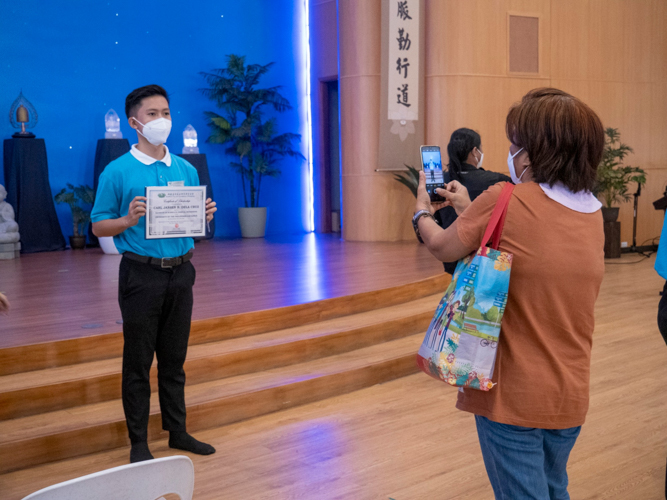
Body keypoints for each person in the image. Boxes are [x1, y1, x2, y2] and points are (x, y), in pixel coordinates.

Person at [412, 88, 605, 499]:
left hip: (512, 395)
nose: (511, 154)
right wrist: (473, 210)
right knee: (554, 489)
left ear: (534, 153)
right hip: (568, 393)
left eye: (516, 145)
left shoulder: (507, 199)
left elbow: (443, 246)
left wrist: (421, 213)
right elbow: (532, 249)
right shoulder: (592, 211)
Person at [92, 84, 217, 463]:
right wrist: (127, 220)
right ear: (134, 122)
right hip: (140, 275)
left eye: (165, 112)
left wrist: (203, 217)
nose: (162, 120)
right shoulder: (117, 171)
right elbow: (98, 226)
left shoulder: (184, 167)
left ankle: (177, 432)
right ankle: (138, 443)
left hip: (181, 273)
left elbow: (193, 226)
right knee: (138, 361)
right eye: (152, 114)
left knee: (174, 359)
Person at [435, 128, 511, 274]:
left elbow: (435, 221)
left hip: (450, 258)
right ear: (475, 151)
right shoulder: (497, 181)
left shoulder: (440, 182)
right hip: (483, 260)